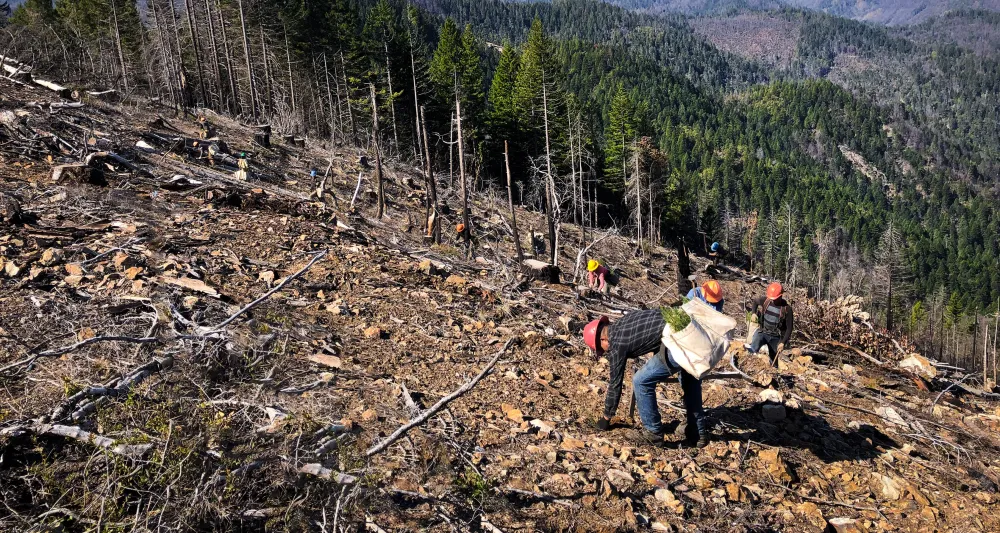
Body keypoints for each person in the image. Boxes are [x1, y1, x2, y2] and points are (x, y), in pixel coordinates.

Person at [583, 311, 709, 448]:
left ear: (603, 340)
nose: (605, 352)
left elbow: (615, 383)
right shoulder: (624, 321)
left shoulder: (615, 344)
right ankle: (697, 432)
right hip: (692, 332)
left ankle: (653, 433)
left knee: (640, 381)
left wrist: (606, 417)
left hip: (678, 342)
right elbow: (656, 327)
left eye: (601, 349)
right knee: (689, 380)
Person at [747, 282, 794, 365]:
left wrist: (783, 342)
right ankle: (748, 364)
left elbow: (789, 328)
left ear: (780, 296)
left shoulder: (787, 309)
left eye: (774, 298)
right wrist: (753, 313)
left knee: (774, 361)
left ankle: (773, 370)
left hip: (776, 337)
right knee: (752, 350)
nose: (772, 300)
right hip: (762, 332)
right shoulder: (766, 301)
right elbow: (755, 301)